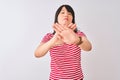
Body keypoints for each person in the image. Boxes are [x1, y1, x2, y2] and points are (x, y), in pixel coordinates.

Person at [34, 4, 92, 80]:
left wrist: (77, 40)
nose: (66, 15)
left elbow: (88, 47)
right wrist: (52, 42)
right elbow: (37, 54)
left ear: (72, 19)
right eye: (62, 12)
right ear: (56, 17)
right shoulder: (49, 36)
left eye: (69, 13)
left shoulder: (78, 35)